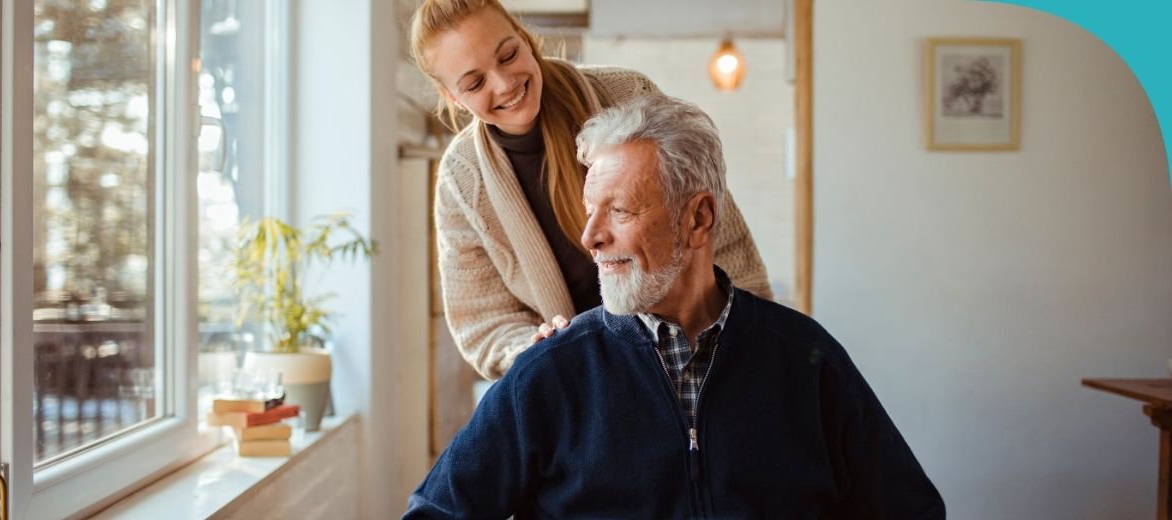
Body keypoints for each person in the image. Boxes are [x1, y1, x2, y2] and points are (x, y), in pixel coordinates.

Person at [402, 95, 945, 519]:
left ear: (699, 219)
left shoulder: (808, 359)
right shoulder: (548, 374)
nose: (590, 236)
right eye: (590, 210)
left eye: (619, 210)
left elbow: (911, 511)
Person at [409, 0, 772, 380]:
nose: (504, 84)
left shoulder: (629, 94)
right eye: (474, 83)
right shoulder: (460, 178)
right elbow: (483, 321)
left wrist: (753, 339)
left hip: (694, 356)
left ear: (524, 37)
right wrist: (533, 345)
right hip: (579, 382)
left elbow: (717, 234)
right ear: (452, 96)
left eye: (508, 54)